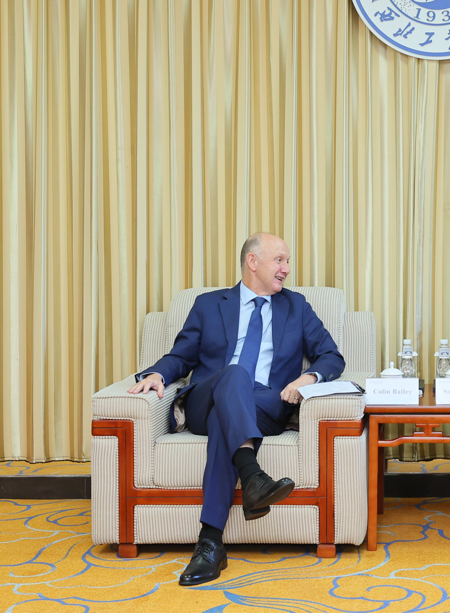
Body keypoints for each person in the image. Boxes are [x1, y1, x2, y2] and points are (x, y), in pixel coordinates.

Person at [129, 232, 345, 585]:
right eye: (279, 260)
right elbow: (181, 356)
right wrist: (157, 374)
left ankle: (211, 542)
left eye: (287, 261)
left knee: (224, 419)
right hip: (207, 398)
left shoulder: (297, 306)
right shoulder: (209, 304)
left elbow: (331, 356)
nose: (286, 269)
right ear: (252, 261)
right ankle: (252, 477)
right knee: (234, 375)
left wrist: (308, 378)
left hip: (264, 406)